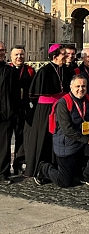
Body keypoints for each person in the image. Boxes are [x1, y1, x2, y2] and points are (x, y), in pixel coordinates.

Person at [34, 75, 89, 187]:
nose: (81, 89)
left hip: (84, 140)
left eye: (84, 86)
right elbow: (67, 130)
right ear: (71, 87)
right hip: (67, 143)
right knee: (65, 182)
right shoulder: (63, 104)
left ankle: (86, 175)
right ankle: (44, 168)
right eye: (78, 86)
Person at [25, 44, 70, 177]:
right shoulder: (44, 71)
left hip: (60, 108)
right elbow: (35, 94)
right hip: (46, 110)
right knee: (44, 138)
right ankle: (41, 167)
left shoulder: (63, 70)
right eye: (63, 54)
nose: (66, 56)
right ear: (55, 56)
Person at [9, 45, 35, 175]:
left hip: (23, 108)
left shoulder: (30, 70)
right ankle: (4, 165)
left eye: (21, 54)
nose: (19, 57)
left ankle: (19, 162)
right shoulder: (7, 69)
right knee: (5, 139)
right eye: (17, 55)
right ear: (11, 56)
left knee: (21, 137)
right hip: (9, 109)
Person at [0, 42, 19, 184]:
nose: (2, 53)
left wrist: (12, 109)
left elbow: (15, 92)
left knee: (5, 145)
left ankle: (3, 173)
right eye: (0, 50)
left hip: (6, 113)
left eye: (3, 50)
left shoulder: (10, 71)